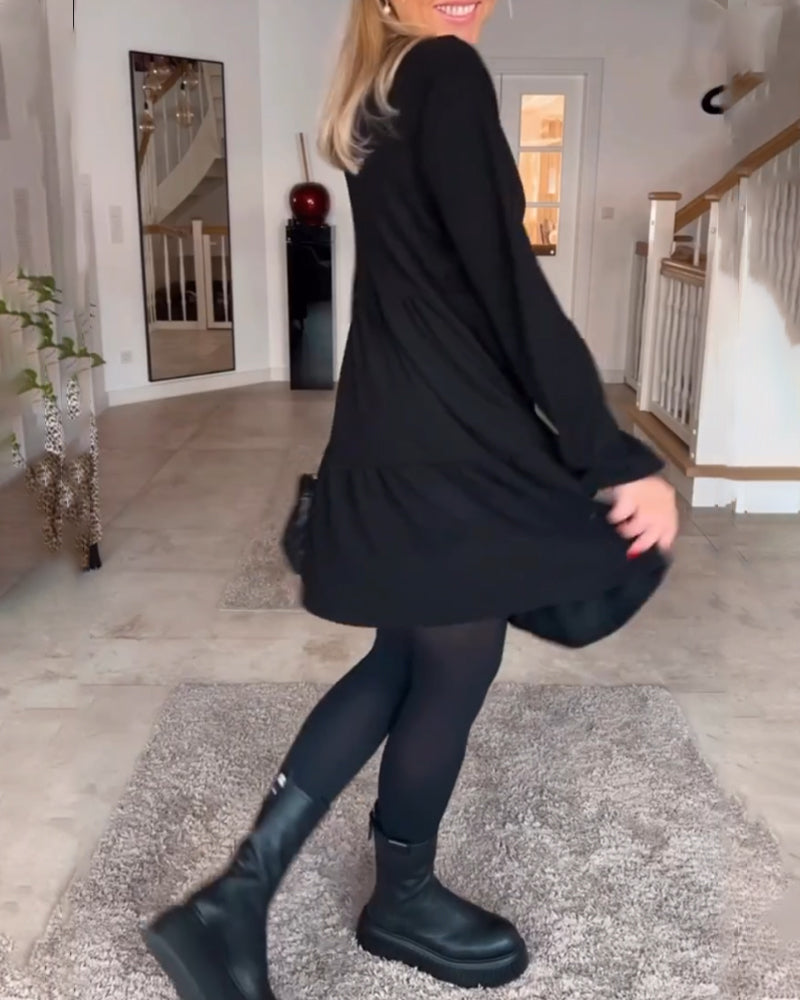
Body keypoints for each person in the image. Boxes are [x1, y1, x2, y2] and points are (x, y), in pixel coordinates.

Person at [143, 1, 678, 998]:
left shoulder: (376, 91)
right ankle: (397, 898)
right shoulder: (443, 72)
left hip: (399, 419)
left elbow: (432, 285)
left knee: (406, 653)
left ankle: (235, 903)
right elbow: (507, 283)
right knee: (456, 659)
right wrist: (609, 450)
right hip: (444, 433)